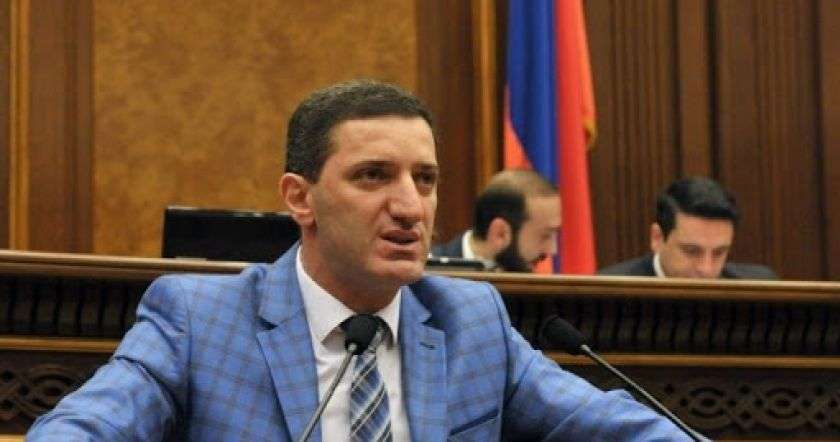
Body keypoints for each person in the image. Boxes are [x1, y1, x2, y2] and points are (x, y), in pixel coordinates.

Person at [28, 80, 694, 441]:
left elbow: (618, 429)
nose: (409, 207)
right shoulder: (200, 320)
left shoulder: (470, 321)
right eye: (374, 176)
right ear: (301, 198)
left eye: (425, 180)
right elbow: (85, 428)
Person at [599, 176, 776, 279]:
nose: (706, 270)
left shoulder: (760, 287)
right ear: (657, 238)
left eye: (719, 253)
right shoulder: (608, 293)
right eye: (692, 251)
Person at [431, 170, 560, 272]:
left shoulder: (540, 291)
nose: (552, 250)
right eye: (545, 235)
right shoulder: (429, 275)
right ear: (500, 234)